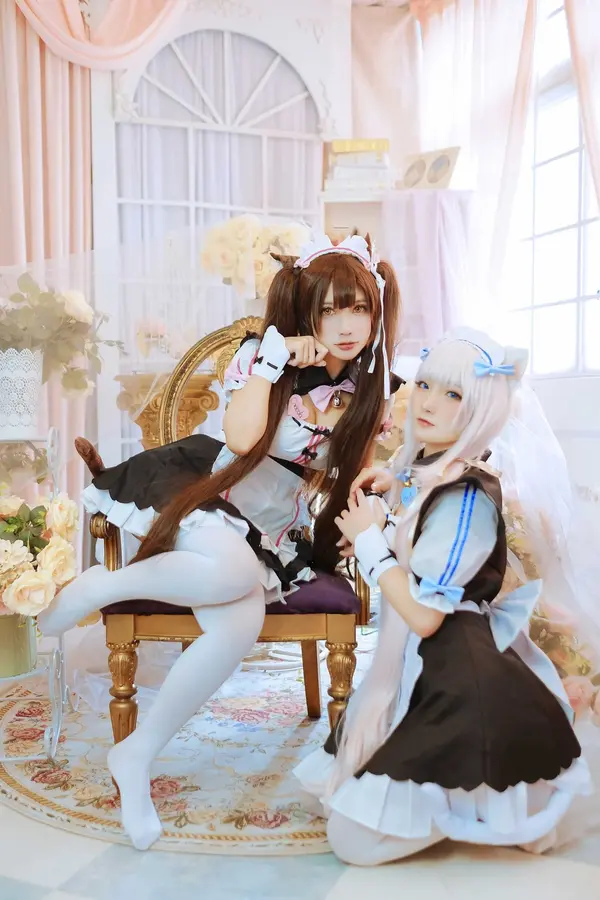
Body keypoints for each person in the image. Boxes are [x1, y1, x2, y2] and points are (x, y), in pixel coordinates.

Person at [38, 233, 401, 851]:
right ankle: (104, 587)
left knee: (240, 618)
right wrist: (271, 361)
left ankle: (136, 753)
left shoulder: (370, 388)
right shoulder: (264, 358)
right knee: (234, 574)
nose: (347, 326)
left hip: (270, 526)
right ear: (307, 312)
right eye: (330, 310)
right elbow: (238, 440)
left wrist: (371, 506)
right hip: (208, 487)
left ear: (375, 311)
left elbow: (349, 474)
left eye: (360, 308)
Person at [294, 327, 593, 866]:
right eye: (427, 385)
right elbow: (420, 516)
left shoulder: (467, 498)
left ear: (482, 410)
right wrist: (392, 495)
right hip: (424, 662)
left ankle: (462, 815)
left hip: (454, 669)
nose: (428, 402)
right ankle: (455, 805)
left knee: (352, 840)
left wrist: (372, 543)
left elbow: (426, 616)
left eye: (453, 394)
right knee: (328, 799)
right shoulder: (437, 471)